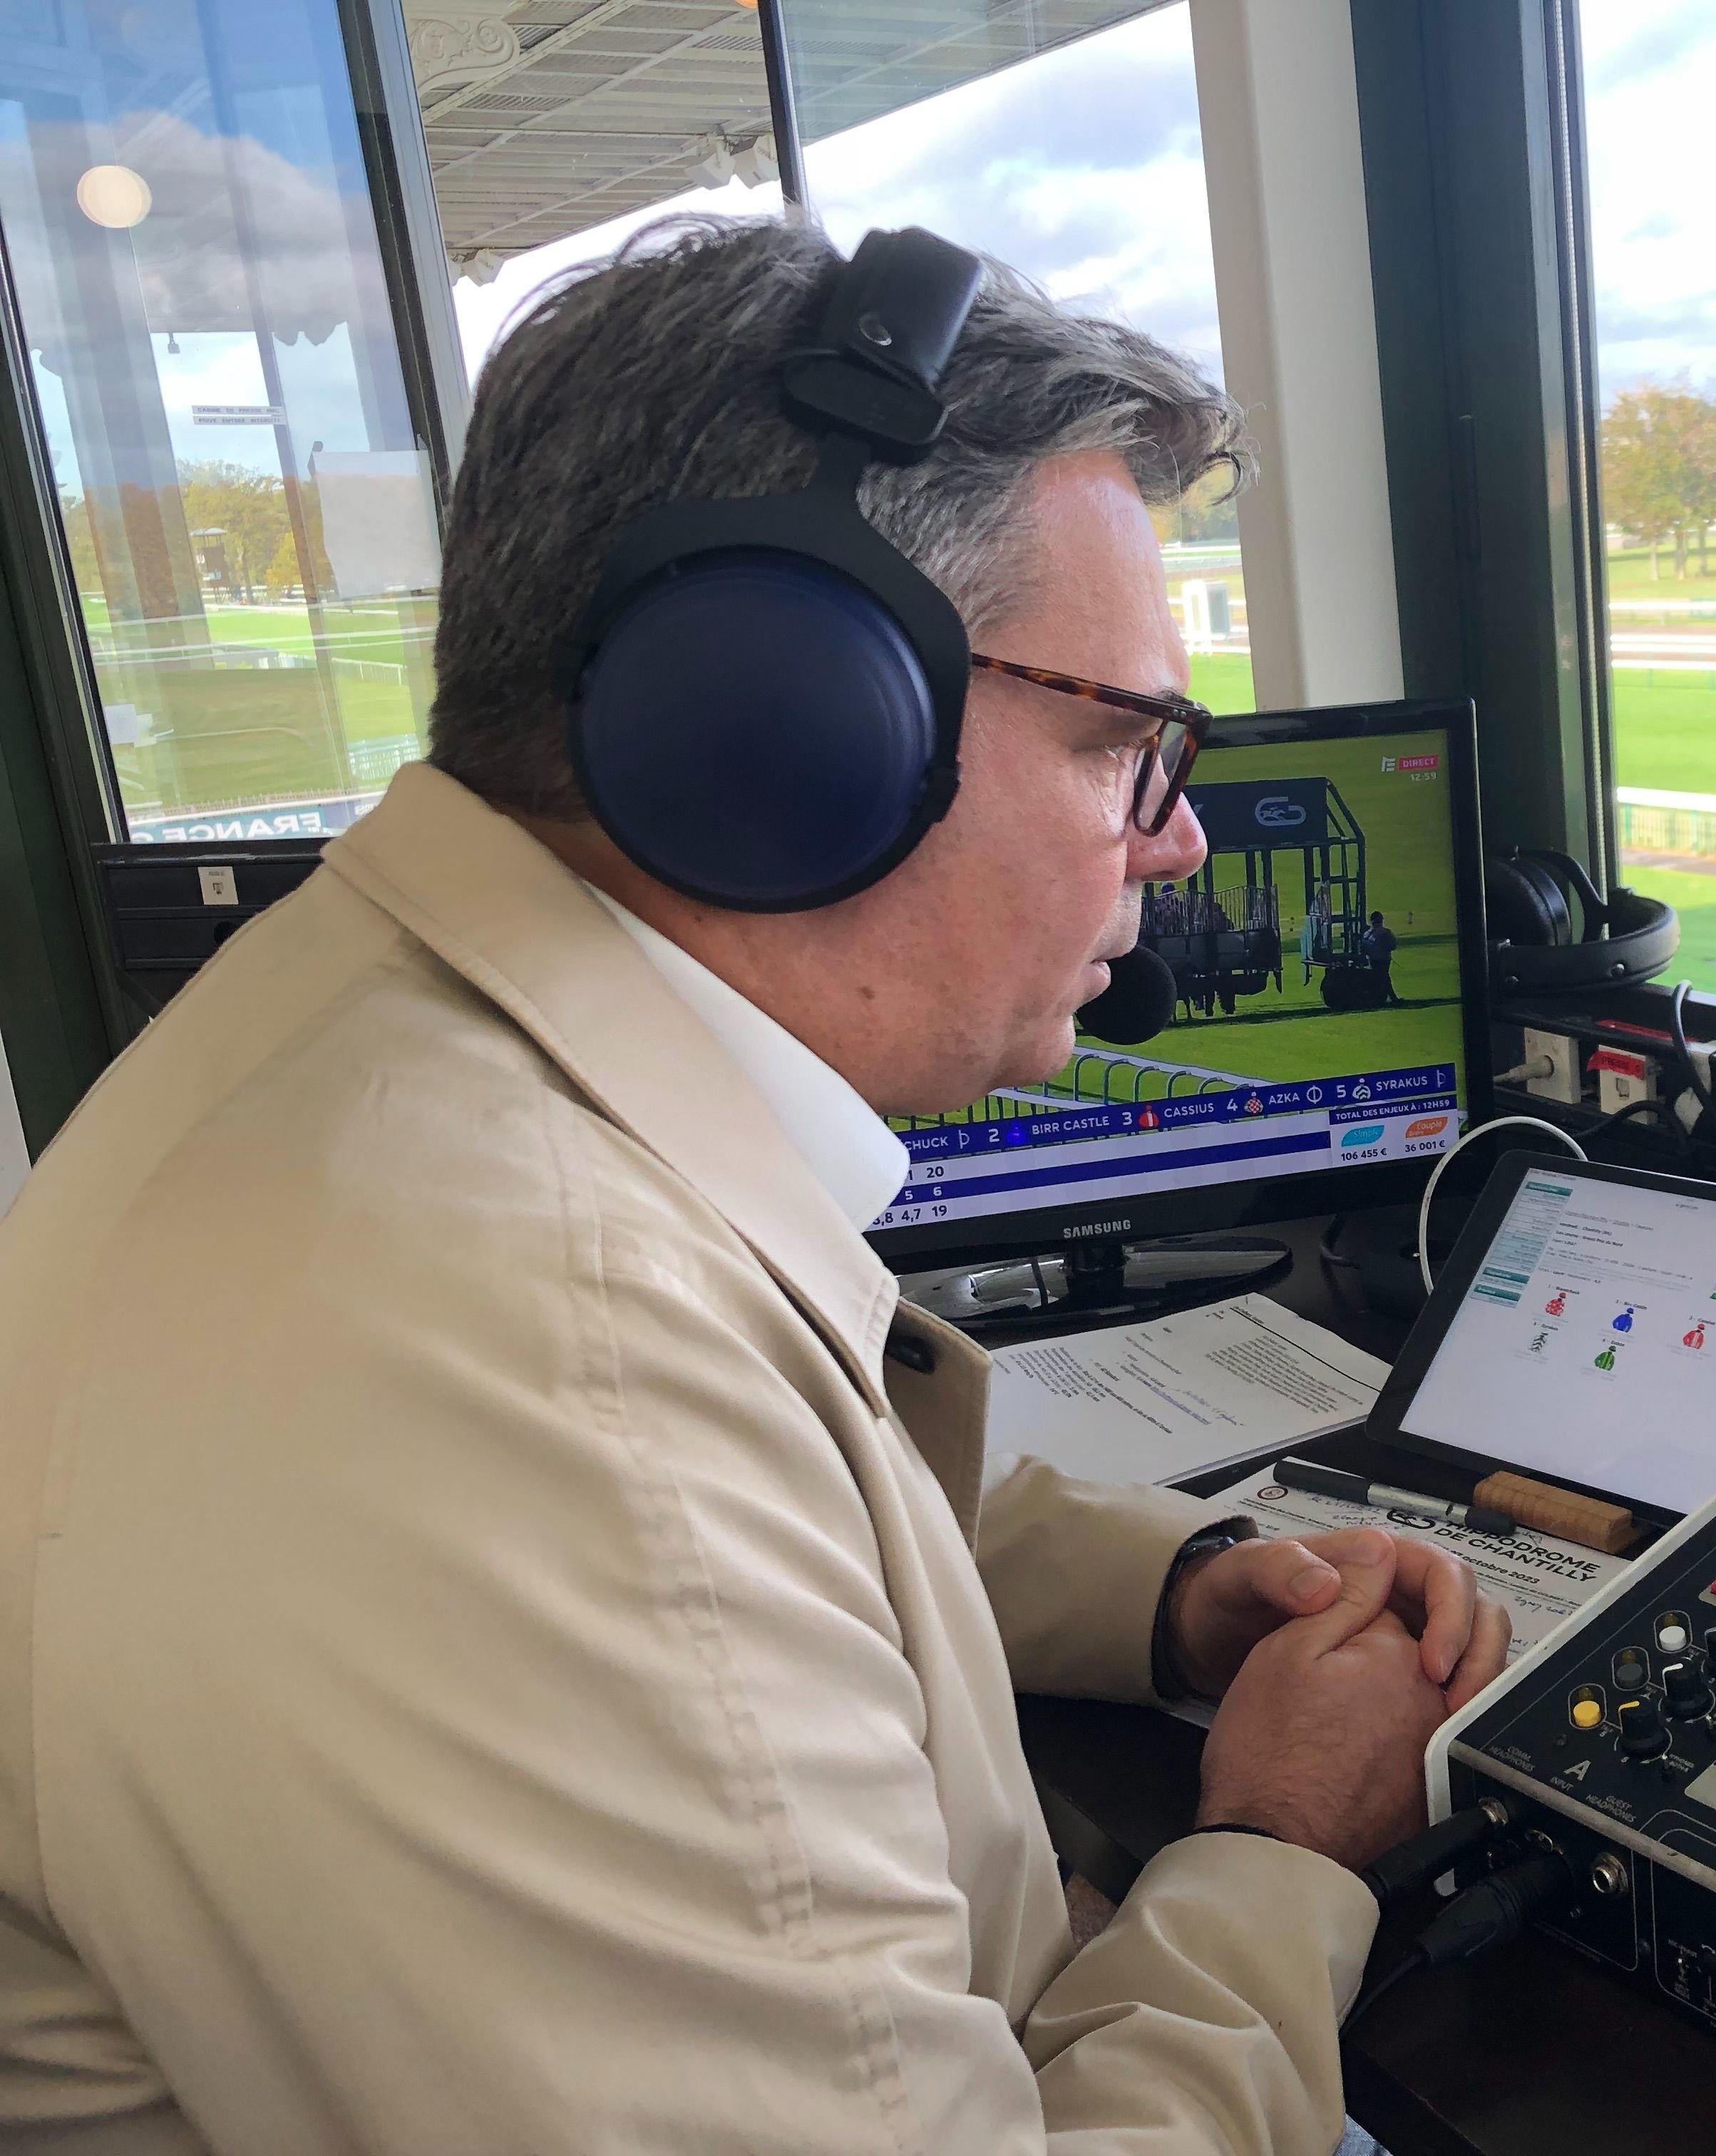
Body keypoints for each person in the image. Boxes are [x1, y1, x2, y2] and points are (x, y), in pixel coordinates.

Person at [0, 218, 1510, 2152]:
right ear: (790, 726)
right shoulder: (510, 1376)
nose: (1179, 838)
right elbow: (667, 1518)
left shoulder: (423, 1076)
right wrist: (1287, 1848)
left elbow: (797, 1507)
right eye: (1128, 742)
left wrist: (1180, 1594)